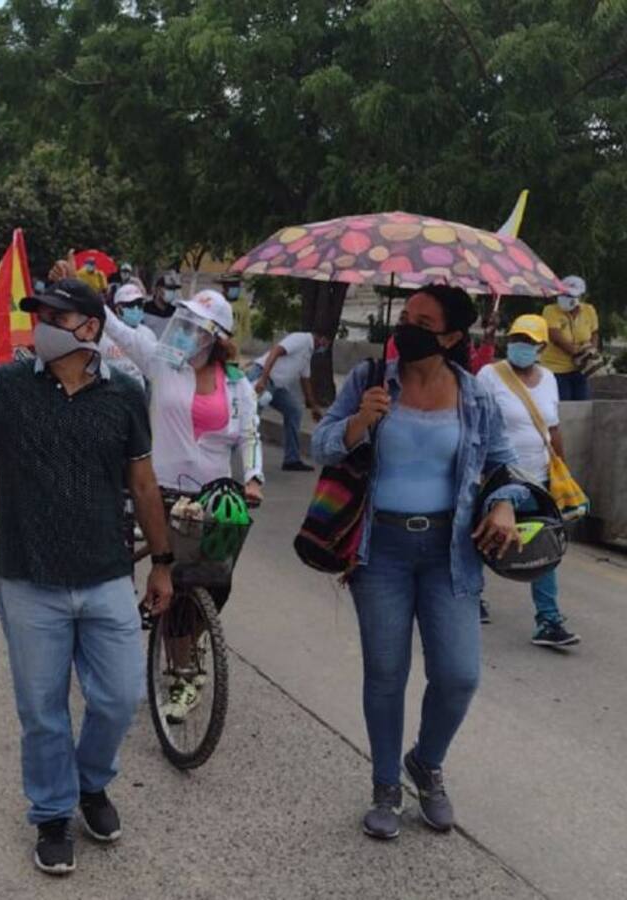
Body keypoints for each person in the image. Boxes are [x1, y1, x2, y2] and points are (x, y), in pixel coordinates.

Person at [0, 278, 173, 876]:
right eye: (38, 313)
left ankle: (92, 783)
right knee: (43, 709)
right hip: (30, 582)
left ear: (90, 327)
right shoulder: (9, 386)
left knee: (120, 697)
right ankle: (53, 813)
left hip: (106, 578)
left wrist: (162, 561)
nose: (41, 323)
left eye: (54, 314)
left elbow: (145, 484)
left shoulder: (125, 395)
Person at [311, 284, 523, 841]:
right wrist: (360, 422)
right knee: (386, 673)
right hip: (378, 550)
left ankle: (425, 763)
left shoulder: (475, 396)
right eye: (404, 316)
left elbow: (504, 464)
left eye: (422, 321)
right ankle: (385, 783)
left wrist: (502, 504)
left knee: (458, 675)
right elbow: (323, 444)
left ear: (452, 336)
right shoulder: (370, 380)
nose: (405, 328)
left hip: (449, 552)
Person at [100, 285, 264, 721]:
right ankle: (181, 673)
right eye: (184, 323)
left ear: (216, 337)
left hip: (215, 499)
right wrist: (88, 293)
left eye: (196, 327)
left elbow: (249, 436)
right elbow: (116, 328)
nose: (186, 332)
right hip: (162, 492)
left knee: (211, 582)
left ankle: (190, 642)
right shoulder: (162, 364)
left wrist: (252, 477)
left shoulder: (237, 387)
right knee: (171, 579)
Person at [476, 315, 581, 647]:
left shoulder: (549, 378)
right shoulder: (489, 376)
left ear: (541, 347)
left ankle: (548, 620)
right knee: (482, 538)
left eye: (528, 341)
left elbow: (552, 428)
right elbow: (475, 424)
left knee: (544, 543)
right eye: (516, 338)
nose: (520, 345)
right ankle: (470, 597)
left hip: (538, 477)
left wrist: (560, 468)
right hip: (496, 478)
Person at [247, 330, 329, 471]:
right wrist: (263, 379)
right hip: (263, 376)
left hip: (277, 386)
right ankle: (237, 455)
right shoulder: (301, 339)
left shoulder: (308, 354)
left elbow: (305, 381)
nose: (326, 347)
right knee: (250, 418)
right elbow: (276, 351)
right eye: (327, 342)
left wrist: (314, 407)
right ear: (320, 338)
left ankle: (291, 459)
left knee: (294, 410)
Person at [540, 275, 600, 401]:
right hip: (556, 369)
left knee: (582, 405)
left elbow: (594, 333)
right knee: (563, 405)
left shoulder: (589, 310)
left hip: (581, 369)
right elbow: (554, 335)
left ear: (580, 296)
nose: (566, 298)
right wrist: (577, 351)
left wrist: (591, 350)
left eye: (570, 295)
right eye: (563, 294)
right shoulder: (550, 310)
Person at [99, 284, 148, 389]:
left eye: (139, 304)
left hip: (139, 395)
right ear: (118, 308)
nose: (136, 308)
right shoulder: (103, 336)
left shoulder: (148, 335)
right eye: (130, 305)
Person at [142, 271, 180, 336]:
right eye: (169, 289)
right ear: (158, 289)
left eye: (173, 289)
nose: (172, 292)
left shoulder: (175, 312)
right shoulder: (144, 309)